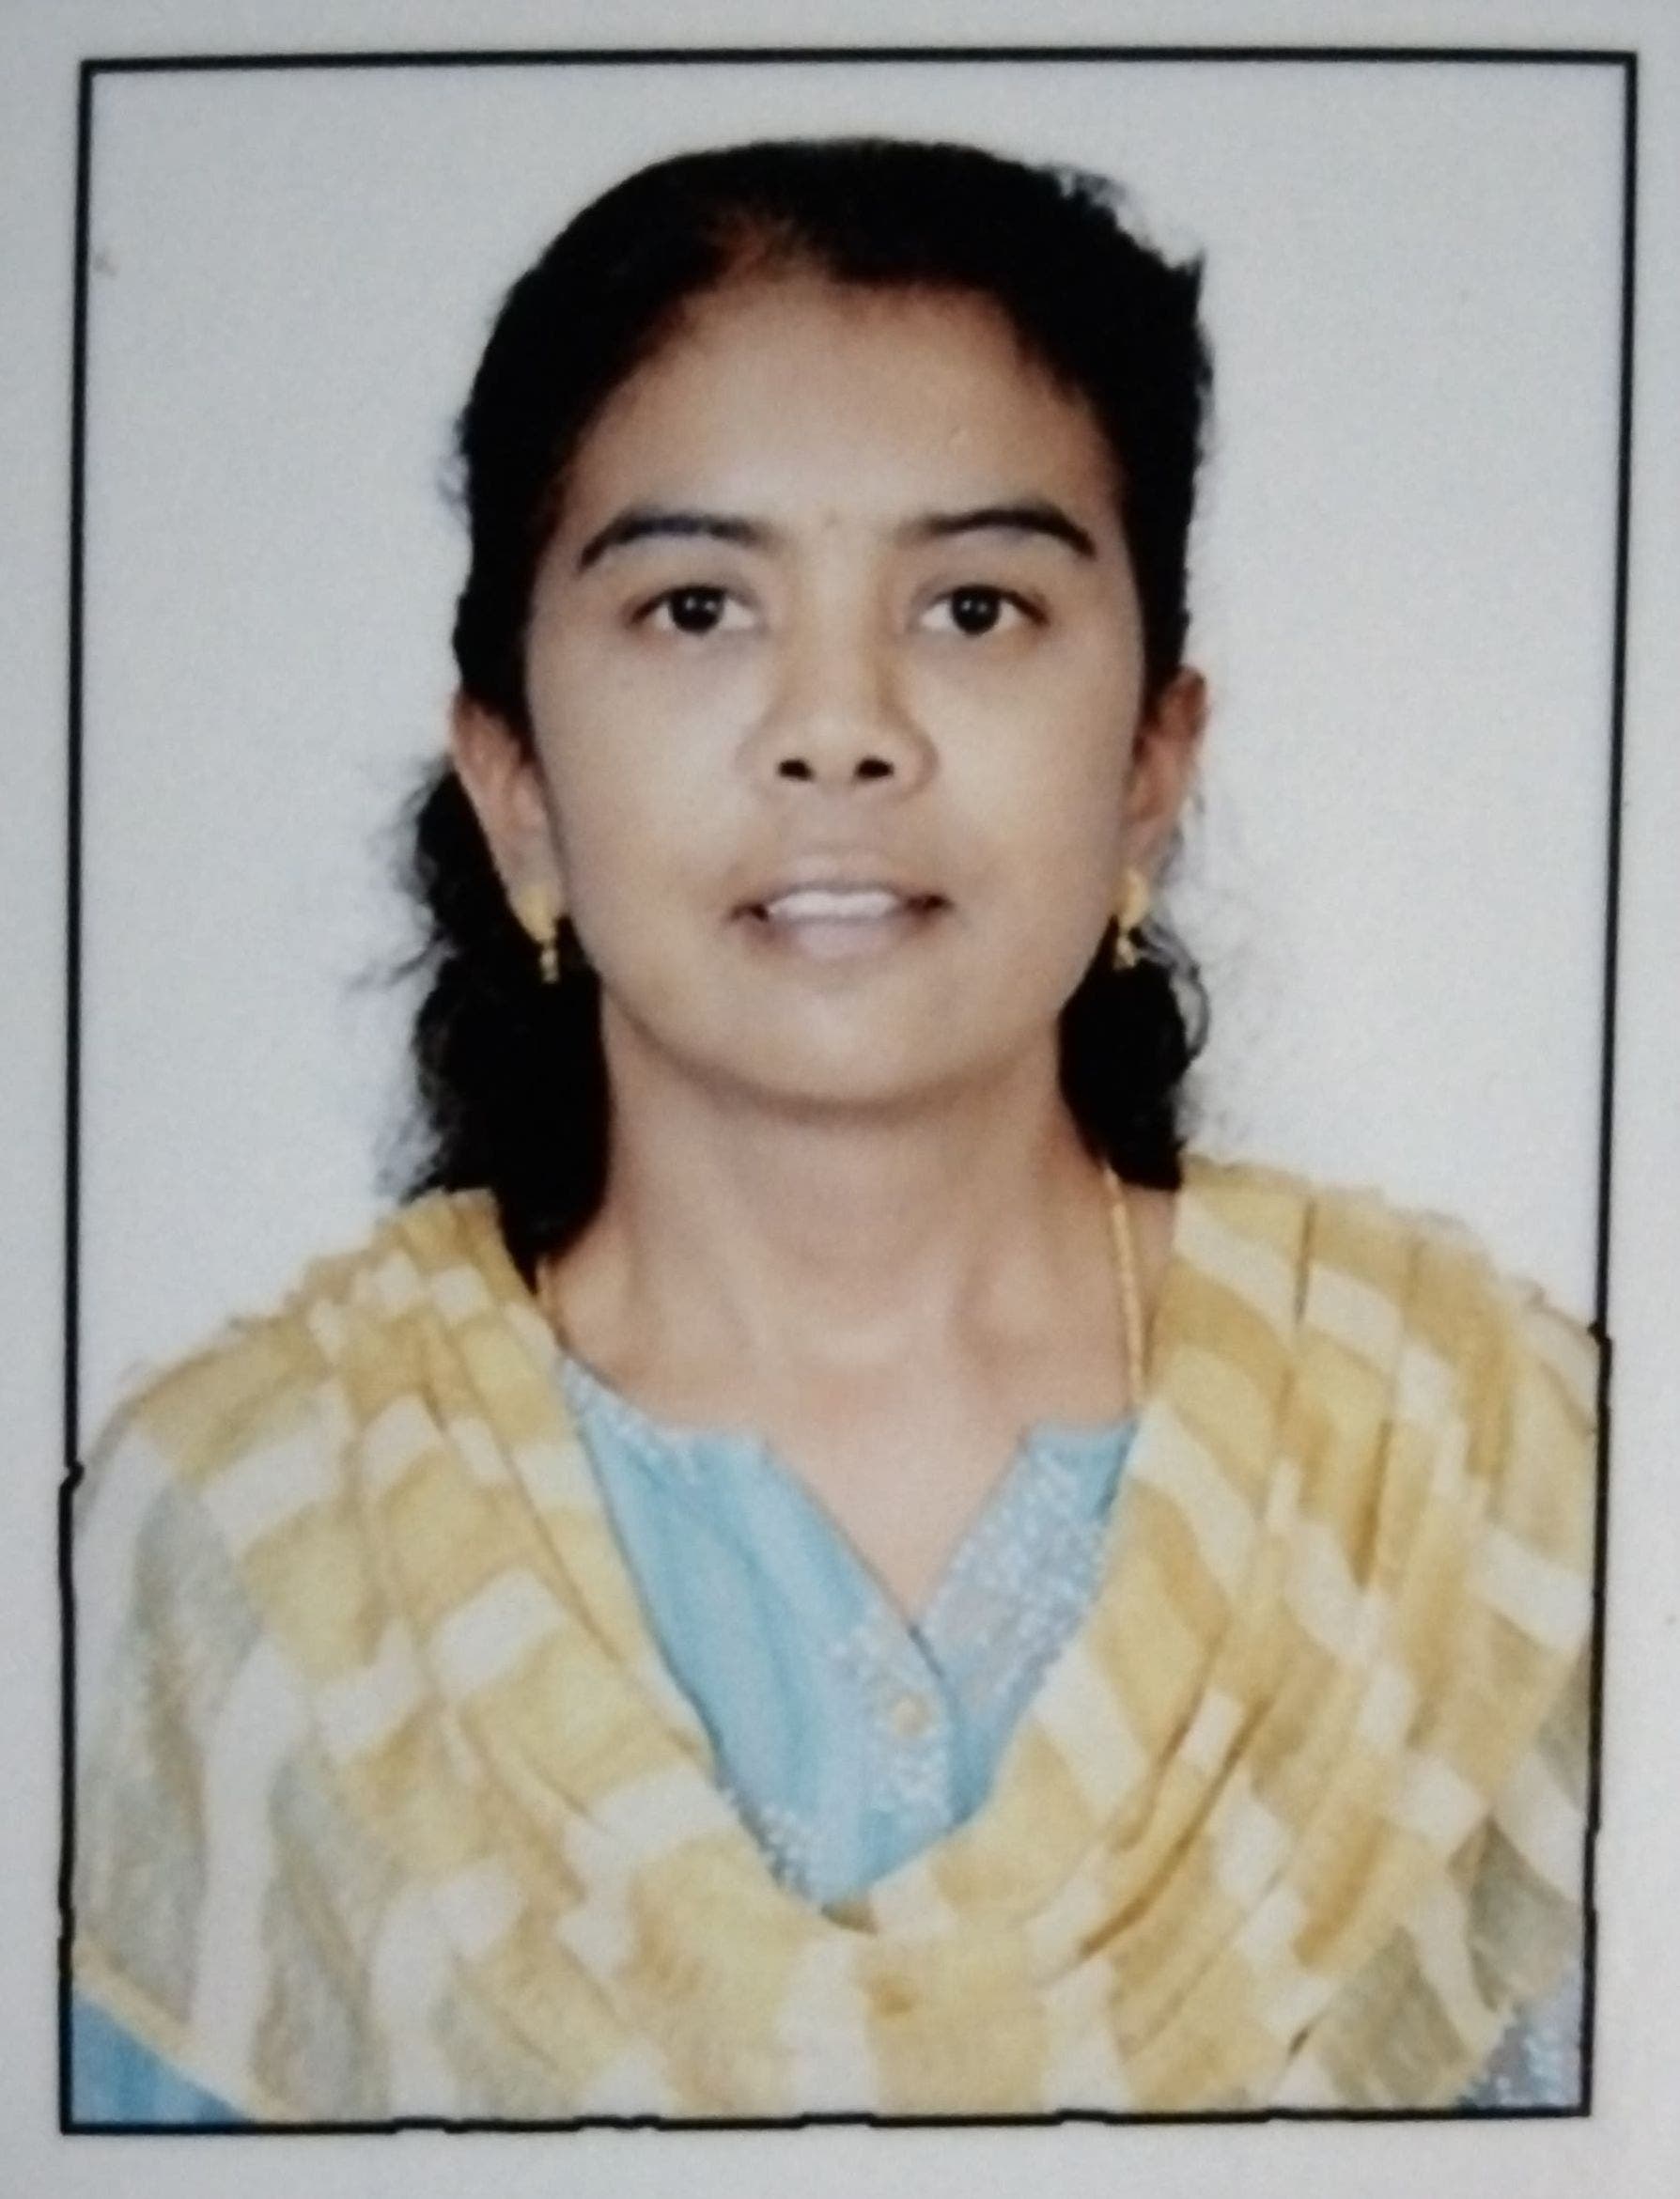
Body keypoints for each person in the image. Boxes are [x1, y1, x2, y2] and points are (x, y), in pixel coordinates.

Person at [69, 135, 1598, 2125]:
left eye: (974, 606)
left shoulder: (1499, 1475)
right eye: (699, 606)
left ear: (1153, 766)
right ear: (516, 788)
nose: (840, 727)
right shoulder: (244, 1539)